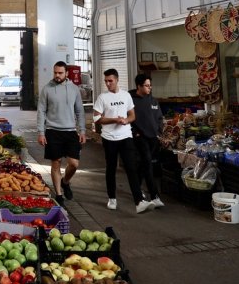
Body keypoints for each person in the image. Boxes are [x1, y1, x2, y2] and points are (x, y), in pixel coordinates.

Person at [93, 68, 153, 214]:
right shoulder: (102, 98)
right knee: (111, 168)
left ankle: (139, 202)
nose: (108, 84)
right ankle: (112, 198)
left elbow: (132, 115)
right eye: (106, 81)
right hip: (109, 138)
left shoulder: (126, 95)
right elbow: (97, 119)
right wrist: (114, 119)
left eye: (110, 81)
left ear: (117, 79)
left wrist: (126, 120)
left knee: (131, 168)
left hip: (126, 137)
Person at [37, 61, 87, 206]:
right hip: (52, 131)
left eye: (60, 73)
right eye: (55, 73)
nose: (57, 75)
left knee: (74, 163)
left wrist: (82, 130)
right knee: (56, 163)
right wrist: (41, 132)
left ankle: (65, 182)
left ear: (66, 73)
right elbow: (41, 111)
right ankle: (59, 195)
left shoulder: (74, 89)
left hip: (70, 131)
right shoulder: (47, 89)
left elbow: (80, 111)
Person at [130, 74, 165, 209]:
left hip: (153, 138)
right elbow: (127, 118)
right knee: (148, 164)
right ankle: (155, 196)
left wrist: (159, 131)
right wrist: (135, 133)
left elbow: (159, 118)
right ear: (139, 86)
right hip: (140, 138)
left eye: (150, 85)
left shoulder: (154, 101)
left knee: (143, 165)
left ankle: (137, 190)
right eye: (146, 85)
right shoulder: (131, 100)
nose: (149, 88)